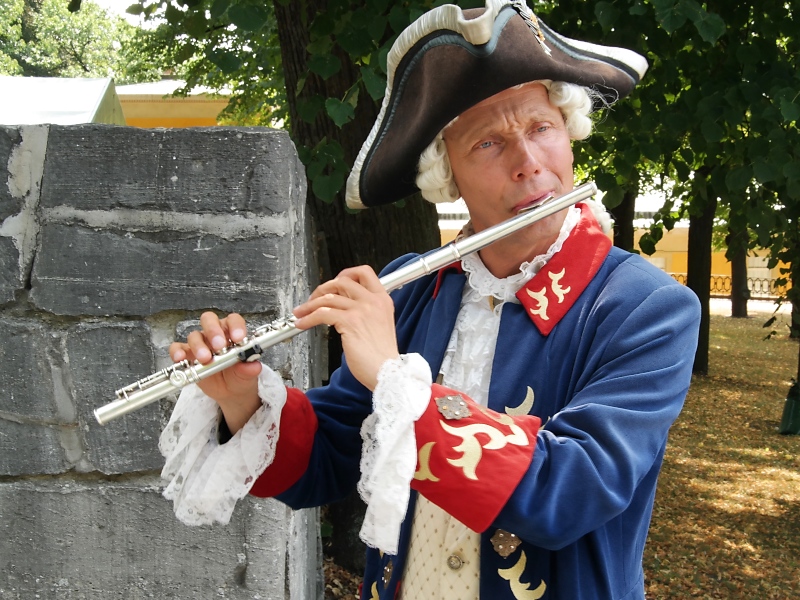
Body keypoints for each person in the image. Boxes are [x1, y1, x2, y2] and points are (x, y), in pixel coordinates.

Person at [159, 1, 701, 598]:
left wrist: (393, 377)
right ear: (448, 177)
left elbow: (573, 490)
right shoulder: (413, 286)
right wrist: (244, 400)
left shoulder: (645, 307)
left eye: (541, 128)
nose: (528, 163)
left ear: (568, 133)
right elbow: (334, 455)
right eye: (489, 144)